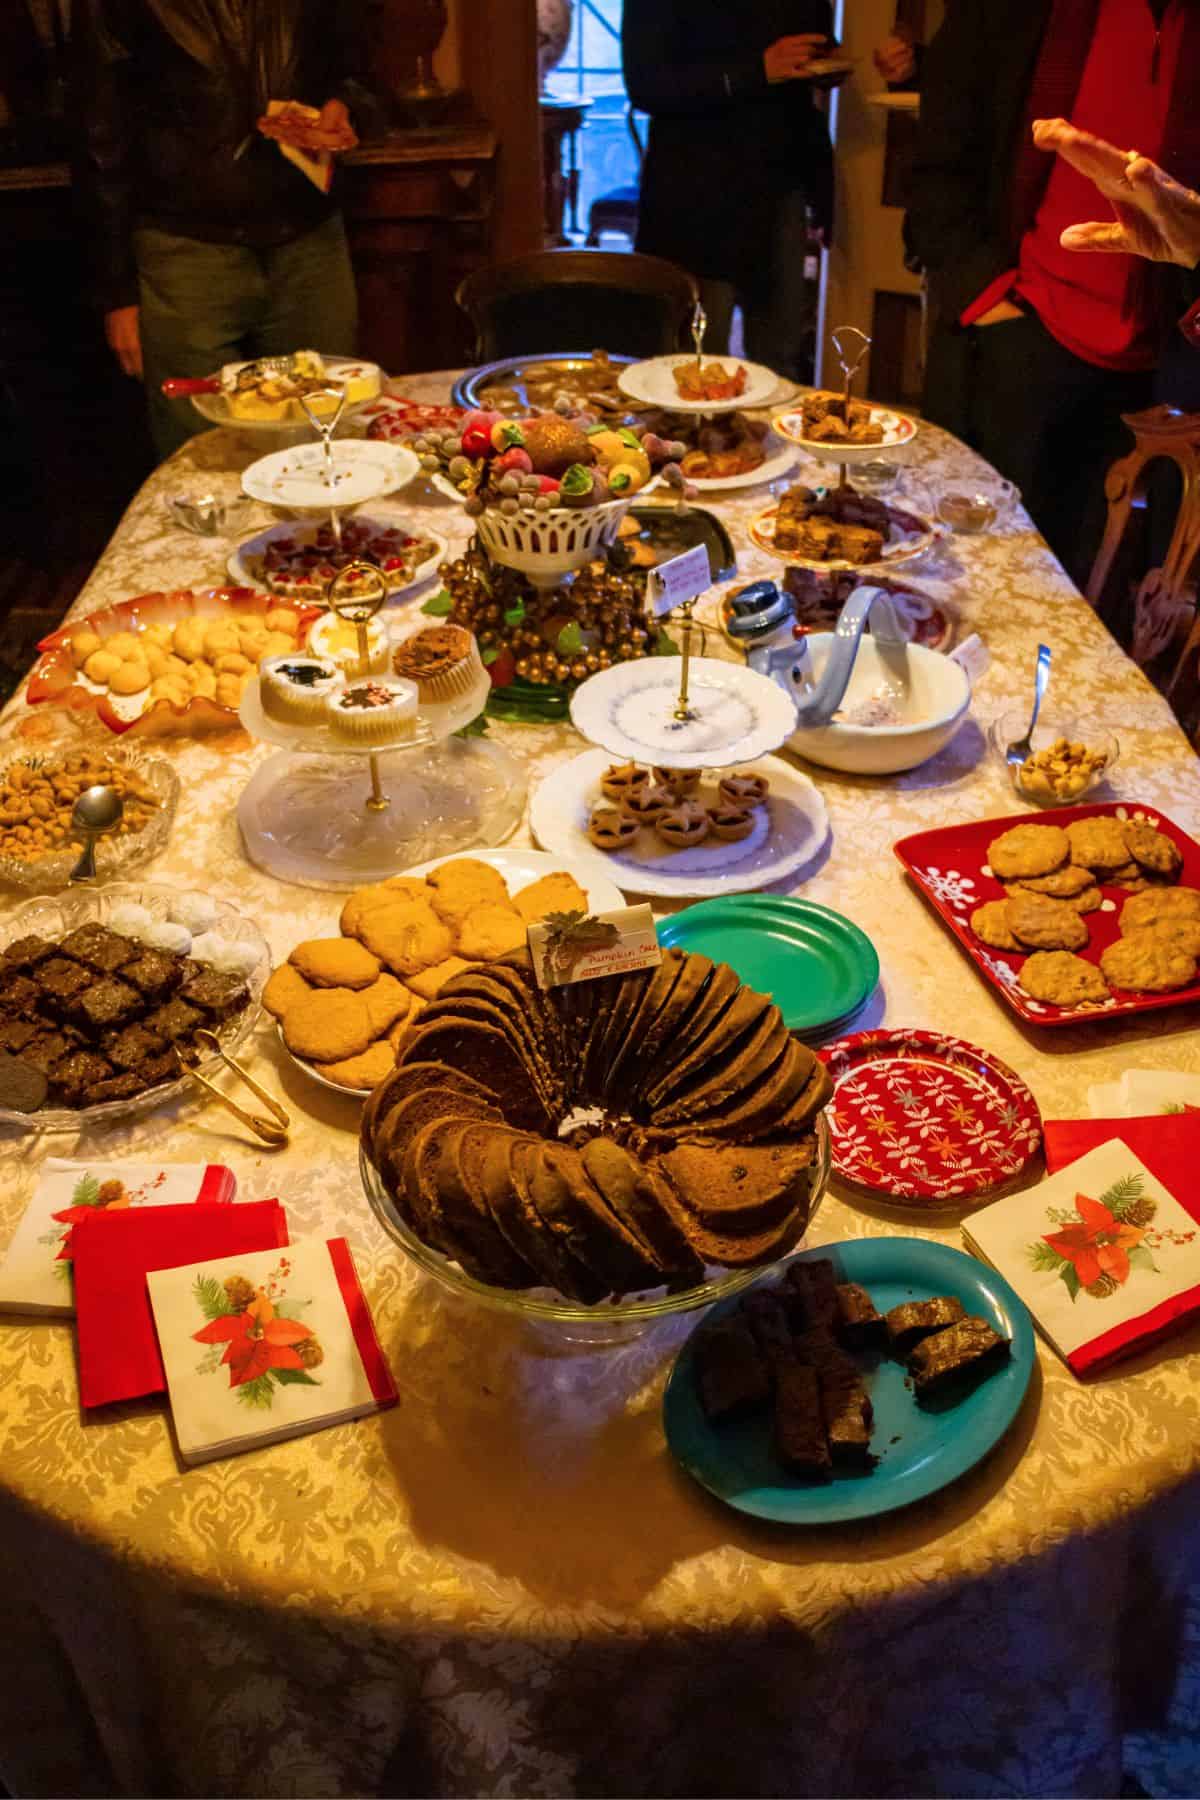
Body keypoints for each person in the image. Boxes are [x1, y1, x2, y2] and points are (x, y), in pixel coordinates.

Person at [904, 0, 1200, 588]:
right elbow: (940, 161)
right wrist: (989, 298)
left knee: (1121, 616)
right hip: (1024, 335)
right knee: (976, 586)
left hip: (1172, 366)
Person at [72, 0, 386, 460]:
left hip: (307, 239)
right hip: (184, 248)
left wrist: (347, 106)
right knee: (199, 455)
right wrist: (117, 293)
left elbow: (360, 66)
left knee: (327, 444)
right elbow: (98, 136)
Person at [622, 2, 841, 383]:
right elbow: (646, 85)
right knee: (694, 367)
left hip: (781, 186)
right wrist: (756, 71)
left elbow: (810, 53)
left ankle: (772, 443)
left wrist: (825, 62)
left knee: (779, 363)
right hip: (697, 194)